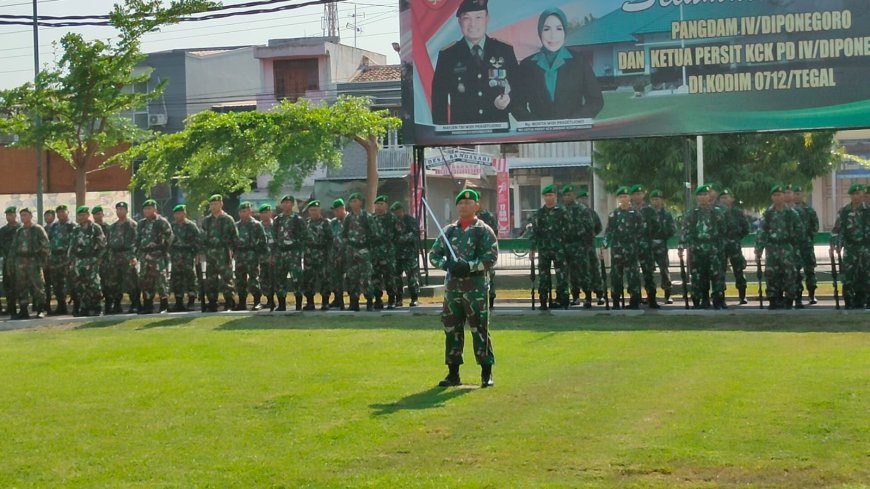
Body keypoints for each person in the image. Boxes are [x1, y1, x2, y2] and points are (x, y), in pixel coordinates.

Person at [429, 188, 497, 388]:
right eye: (460, 203)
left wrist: (469, 266)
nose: (463, 206)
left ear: (476, 206)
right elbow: (434, 254)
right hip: (453, 290)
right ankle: (453, 373)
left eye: (468, 203)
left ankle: (486, 372)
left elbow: (490, 258)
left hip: (475, 288)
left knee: (480, 329)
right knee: (452, 329)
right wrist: (447, 265)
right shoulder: (450, 231)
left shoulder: (483, 231)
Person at [430, 0, 517, 125]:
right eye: (467, 18)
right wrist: (441, 133)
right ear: (460, 22)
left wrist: (509, 100)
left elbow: (520, 88)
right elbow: (439, 99)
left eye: (478, 17)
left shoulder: (504, 50)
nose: (472, 24)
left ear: (487, 19)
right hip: (462, 131)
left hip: (498, 128)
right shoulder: (448, 55)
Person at [511, 7, 603, 121]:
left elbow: (596, 100)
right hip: (540, 136)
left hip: (574, 135)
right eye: (546, 29)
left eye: (559, 29)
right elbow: (516, 105)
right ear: (539, 32)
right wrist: (536, 126)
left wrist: (574, 122)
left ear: (565, 31)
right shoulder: (526, 66)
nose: (553, 35)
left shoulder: (579, 61)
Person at [756, 185, 803, 309]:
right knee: (771, 274)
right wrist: (759, 248)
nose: (777, 197)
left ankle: (788, 300)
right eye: (775, 195)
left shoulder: (791, 213)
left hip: (787, 247)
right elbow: (762, 231)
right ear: (772, 197)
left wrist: (796, 249)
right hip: (772, 247)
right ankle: (773, 299)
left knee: (789, 274)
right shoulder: (768, 214)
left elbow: (799, 232)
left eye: (780, 194)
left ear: (784, 196)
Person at [682, 185, 727, 309]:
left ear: (709, 197)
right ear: (697, 197)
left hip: (713, 248)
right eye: (700, 195)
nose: (703, 197)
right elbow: (686, 231)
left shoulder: (717, 212)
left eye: (705, 195)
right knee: (699, 276)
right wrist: (682, 245)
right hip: (697, 249)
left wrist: (720, 247)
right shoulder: (692, 213)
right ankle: (702, 300)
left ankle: (718, 300)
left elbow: (723, 230)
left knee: (716, 275)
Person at [601, 186, 643, 309]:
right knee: (616, 276)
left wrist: (636, 244)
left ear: (629, 198)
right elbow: (609, 232)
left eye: (625, 196)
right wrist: (604, 246)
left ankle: (634, 300)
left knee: (633, 276)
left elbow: (641, 231)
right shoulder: (614, 215)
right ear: (618, 199)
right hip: (617, 250)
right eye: (621, 197)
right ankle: (615, 300)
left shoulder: (635, 213)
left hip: (631, 250)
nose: (623, 199)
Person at [529, 184, 569, 309]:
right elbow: (534, 232)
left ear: (555, 196)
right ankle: (543, 300)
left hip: (559, 249)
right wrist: (532, 248)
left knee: (561, 276)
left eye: (551, 195)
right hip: (544, 249)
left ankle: (562, 300)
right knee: (544, 276)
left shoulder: (562, 212)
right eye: (546, 195)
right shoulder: (539, 214)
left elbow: (569, 230)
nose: (548, 198)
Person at [832, 184, 870, 309]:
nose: (856, 196)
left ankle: (864, 301)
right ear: (850, 196)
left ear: (862, 195)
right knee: (848, 276)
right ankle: (849, 302)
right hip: (850, 248)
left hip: (866, 248)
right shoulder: (844, 212)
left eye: (859, 193)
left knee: (865, 275)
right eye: (854, 194)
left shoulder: (868, 210)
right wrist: (837, 245)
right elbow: (838, 230)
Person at [8, 208, 49, 319]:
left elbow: (46, 246)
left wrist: (43, 261)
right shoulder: (19, 231)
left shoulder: (37, 229)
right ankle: (23, 310)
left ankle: (40, 310)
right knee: (21, 287)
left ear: (31, 216)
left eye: (25, 215)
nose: (23, 217)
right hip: (20, 262)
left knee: (38, 286)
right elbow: (13, 248)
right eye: (21, 215)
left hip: (33, 261)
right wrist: (11, 263)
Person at [135, 199, 173, 314]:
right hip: (145, 256)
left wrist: (162, 250)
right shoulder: (141, 223)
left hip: (158, 255)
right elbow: (137, 240)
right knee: (146, 281)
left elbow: (169, 237)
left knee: (161, 280)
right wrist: (137, 254)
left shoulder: (161, 221)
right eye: (145, 209)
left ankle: (164, 305)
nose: (147, 211)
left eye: (150, 208)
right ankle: (148, 305)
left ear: (155, 209)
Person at [202, 194, 239, 312]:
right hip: (210, 253)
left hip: (223, 252)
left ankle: (229, 302)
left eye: (216, 204)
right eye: (212, 204)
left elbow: (235, 237)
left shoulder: (228, 219)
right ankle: (212, 302)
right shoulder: (206, 221)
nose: (213, 206)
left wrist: (233, 252)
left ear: (221, 204)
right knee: (210, 279)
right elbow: (202, 237)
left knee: (226, 279)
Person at [68, 206, 106, 316]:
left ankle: (97, 306)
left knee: (94, 284)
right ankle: (84, 307)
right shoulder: (76, 229)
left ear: (88, 215)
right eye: (79, 215)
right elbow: (72, 247)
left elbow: (102, 245)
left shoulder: (95, 228)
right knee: (81, 285)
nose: (81, 217)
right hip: (79, 261)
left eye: (84, 215)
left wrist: (97, 259)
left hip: (92, 260)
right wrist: (71, 261)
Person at [272, 195, 308, 311]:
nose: (286, 205)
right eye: (284, 203)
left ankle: (298, 305)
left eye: (289, 202)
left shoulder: (298, 219)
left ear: (292, 205)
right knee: (280, 278)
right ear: (281, 205)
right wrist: (273, 254)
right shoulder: (278, 220)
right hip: (281, 253)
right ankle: (282, 304)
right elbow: (274, 237)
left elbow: (304, 235)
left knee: (296, 278)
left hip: (293, 253)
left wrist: (296, 245)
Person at [630, 184, 662, 308]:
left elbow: (656, 226)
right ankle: (635, 299)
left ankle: (652, 299)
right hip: (632, 247)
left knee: (648, 273)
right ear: (632, 196)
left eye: (640, 194)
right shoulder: (629, 209)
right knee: (633, 274)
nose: (637, 196)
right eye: (635, 194)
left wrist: (648, 238)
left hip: (646, 246)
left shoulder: (649, 210)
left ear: (643, 195)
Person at [560, 185, 593, 307]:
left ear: (574, 195)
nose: (567, 197)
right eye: (565, 195)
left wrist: (586, 243)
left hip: (580, 245)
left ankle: (588, 297)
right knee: (571, 274)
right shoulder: (562, 210)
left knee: (583, 272)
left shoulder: (581, 209)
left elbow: (590, 227)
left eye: (569, 195)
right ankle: (575, 297)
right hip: (566, 246)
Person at [106, 202, 140, 314]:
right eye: (118, 209)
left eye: (122, 209)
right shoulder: (113, 227)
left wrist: (134, 256)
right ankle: (116, 304)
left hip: (128, 255)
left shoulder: (132, 225)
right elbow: (109, 243)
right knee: (114, 282)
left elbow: (136, 242)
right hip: (115, 256)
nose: (119, 211)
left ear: (126, 211)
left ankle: (135, 303)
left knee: (131, 281)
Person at [342, 193, 374, 311]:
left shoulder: (367, 216)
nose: (354, 203)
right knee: (352, 278)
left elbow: (373, 234)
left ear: (360, 202)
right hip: (351, 251)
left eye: (356, 201)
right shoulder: (348, 218)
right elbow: (344, 234)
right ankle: (354, 302)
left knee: (366, 278)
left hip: (364, 250)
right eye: (352, 201)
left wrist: (368, 249)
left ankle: (369, 302)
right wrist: (347, 246)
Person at [718, 189, 749, 305]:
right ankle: (721, 296)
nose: (724, 200)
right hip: (721, 246)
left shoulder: (737, 212)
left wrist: (736, 237)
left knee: (739, 270)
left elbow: (746, 228)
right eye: (722, 198)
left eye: (727, 197)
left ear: (732, 199)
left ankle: (742, 295)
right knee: (720, 271)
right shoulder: (716, 212)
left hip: (734, 245)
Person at [234, 201, 267, 311]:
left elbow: (263, 241)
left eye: (245, 211)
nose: (243, 213)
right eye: (241, 211)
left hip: (252, 255)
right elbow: (232, 240)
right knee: (240, 279)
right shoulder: (236, 225)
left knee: (253, 279)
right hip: (239, 255)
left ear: (250, 212)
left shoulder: (256, 225)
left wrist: (257, 252)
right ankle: (242, 302)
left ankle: (257, 301)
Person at [169, 204, 202, 312]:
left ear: (184, 213)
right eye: (176, 213)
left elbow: (198, 240)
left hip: (188, 254)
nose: (178, 215)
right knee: (176, 278)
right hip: (175, 255)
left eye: (180, 213)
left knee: (190, 277)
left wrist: (197, 254)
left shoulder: (191, 226)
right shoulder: (172, 226)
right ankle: (178, 302)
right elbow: (167, 240)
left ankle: (191, 301)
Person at [370, 195, 401, 309]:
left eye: (381, 204)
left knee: (390, 277)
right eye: (377, 204)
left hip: (388, 253)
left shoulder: (392, 218)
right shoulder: (371, 219)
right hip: (375, 253)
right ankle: (378, 299)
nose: (379, 206)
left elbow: (399, 234)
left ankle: (392, 299)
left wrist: (393, 248)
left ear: (386, 205)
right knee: (375, 278)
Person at [301, 200, 332, 311]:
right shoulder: (306, 223)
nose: (313, 212)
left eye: (315, 210)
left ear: (319, 210)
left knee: (324, 279)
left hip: (322, 255)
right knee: (308, 279)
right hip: (309, 255)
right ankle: (310, 302)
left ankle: (325, 302)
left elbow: (330, 240)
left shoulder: (326, 223)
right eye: (311, 210)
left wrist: (329, 255)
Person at [790, 185, 819, 305]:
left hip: (806, 245)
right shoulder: (788, 210)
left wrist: (808, 237)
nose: (797, 196)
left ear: (803, 195)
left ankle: (811, 295)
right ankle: (798, 297)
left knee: (809, 271)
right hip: (794, 246)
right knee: (795, 272)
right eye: (795, 194)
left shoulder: (809, 210)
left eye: (799, 193)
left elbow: (815, 226)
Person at [47, 204, 76, 315]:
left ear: (68, 212)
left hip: (67, 258)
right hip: (55, 259)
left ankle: (76, 305)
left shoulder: (72, 226)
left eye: (63, 212)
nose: (61, 214)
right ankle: (61, 306)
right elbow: (48, 240)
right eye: (58, 212)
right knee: (57, 283)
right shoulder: (53, 226)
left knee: (71, 282)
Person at [577, 190, 605, 306]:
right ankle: (587, 297)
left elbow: (598, 227)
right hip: (579, 248)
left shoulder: (592, 213)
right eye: (581, 198)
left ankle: (599, 295)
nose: (583, 201)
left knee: (595, 271)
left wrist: (592, 234)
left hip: (590, 246)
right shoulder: (576, 213)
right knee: (583, 272)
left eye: (585, 198)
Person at [392, 201, 422, 308]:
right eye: (395, 212)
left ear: (402, 210)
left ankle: (414, 298)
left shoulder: (410, 221)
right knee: (396, 278)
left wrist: (400, 238)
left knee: (412, 277)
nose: (397, 214)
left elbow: (414, 235)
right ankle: (398, 299)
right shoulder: (393, 222)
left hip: (409, 255)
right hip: (396, 254)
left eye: (398, 211)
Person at [649, 190, 676, 304]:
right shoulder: (647, 213)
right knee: (648, 271)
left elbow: (672, 229)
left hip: (661, 244)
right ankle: (650, 295)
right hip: (649, 245)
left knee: (664, 270)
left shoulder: (666, 214)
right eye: (653, 199)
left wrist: (664, 234)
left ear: (661, 200)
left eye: (657, 199)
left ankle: (668, 294)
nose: (655, 201)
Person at [1, 206, 22, 317]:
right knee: (8, 285)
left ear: (15, 215)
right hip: (8, 262)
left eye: (11, 214)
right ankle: (11, 308)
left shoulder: (21, 228)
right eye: (7, 215)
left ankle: (23, 309)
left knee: (21, 285)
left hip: (20, 262)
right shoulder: (3, 231)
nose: (9, 216)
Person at [475, 204, 498, 307]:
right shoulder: (466, 216)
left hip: (486, 250)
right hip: (472, 252)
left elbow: (494, 232)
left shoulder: (487, 216)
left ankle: (490, 297)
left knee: (489, 273)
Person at [92, 205, 112, 313]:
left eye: (99, 213)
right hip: (94, 261)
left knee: (107, 283)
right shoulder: (92, 228)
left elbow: (108, 244)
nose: (97, 216)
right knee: (95, 284)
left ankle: (109, 306)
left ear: (103, 214)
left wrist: (103, 258)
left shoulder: (108, 228)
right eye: (95, 214)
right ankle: (97, 306)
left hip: (106, 260)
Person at [328, 199, 348, 310]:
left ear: (342, 208)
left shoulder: (350, 220)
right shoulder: (333, 222)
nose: (335, 213)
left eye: (336, 210)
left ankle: (354, 300)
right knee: (336, 279)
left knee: (351, 278)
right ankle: (338, 299)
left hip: (349, 254)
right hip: (335, 255)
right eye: (334, 211)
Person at [258, 204, 278, 311]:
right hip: (262, 258)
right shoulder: (257, 226)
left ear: (271, 213)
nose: (264, 215)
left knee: (276, 280)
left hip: (275, 258)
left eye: (266, 212)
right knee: (263, 280)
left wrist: (275, 255)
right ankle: (269, 300)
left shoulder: (276, 225)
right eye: (262, 213)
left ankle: (279, 300)